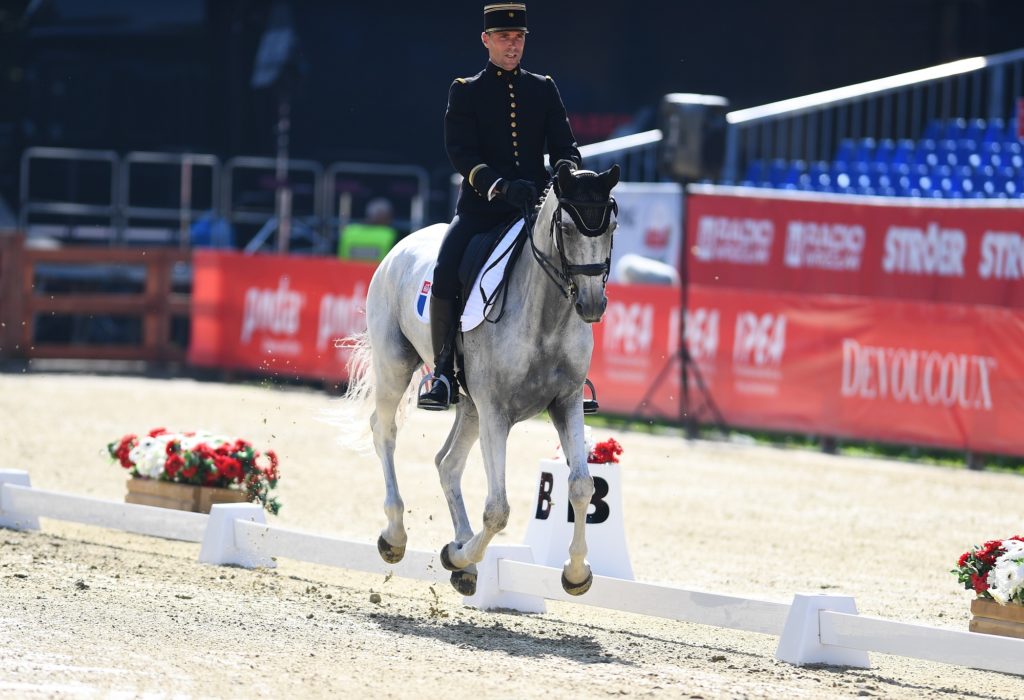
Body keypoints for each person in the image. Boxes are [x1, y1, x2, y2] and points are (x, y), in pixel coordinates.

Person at [418, 1, 582, 411]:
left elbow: (566, 147)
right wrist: (499, 187)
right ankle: (442, 371)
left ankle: (575, 369)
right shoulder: (466, 90)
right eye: (506, 37)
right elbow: (461, 153)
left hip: (534, 208)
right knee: (446, 267)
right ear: (486, 40)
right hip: (483, 209)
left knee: (575, 266)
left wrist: (564, 173)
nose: (514, 45)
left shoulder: (543, 88)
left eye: (520, 37)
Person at [337, 197, 397, 262]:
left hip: (347, 271)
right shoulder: (389, 234)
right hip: (377, 271)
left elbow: (341, 258)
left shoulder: (349, 231)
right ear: (385, 217)